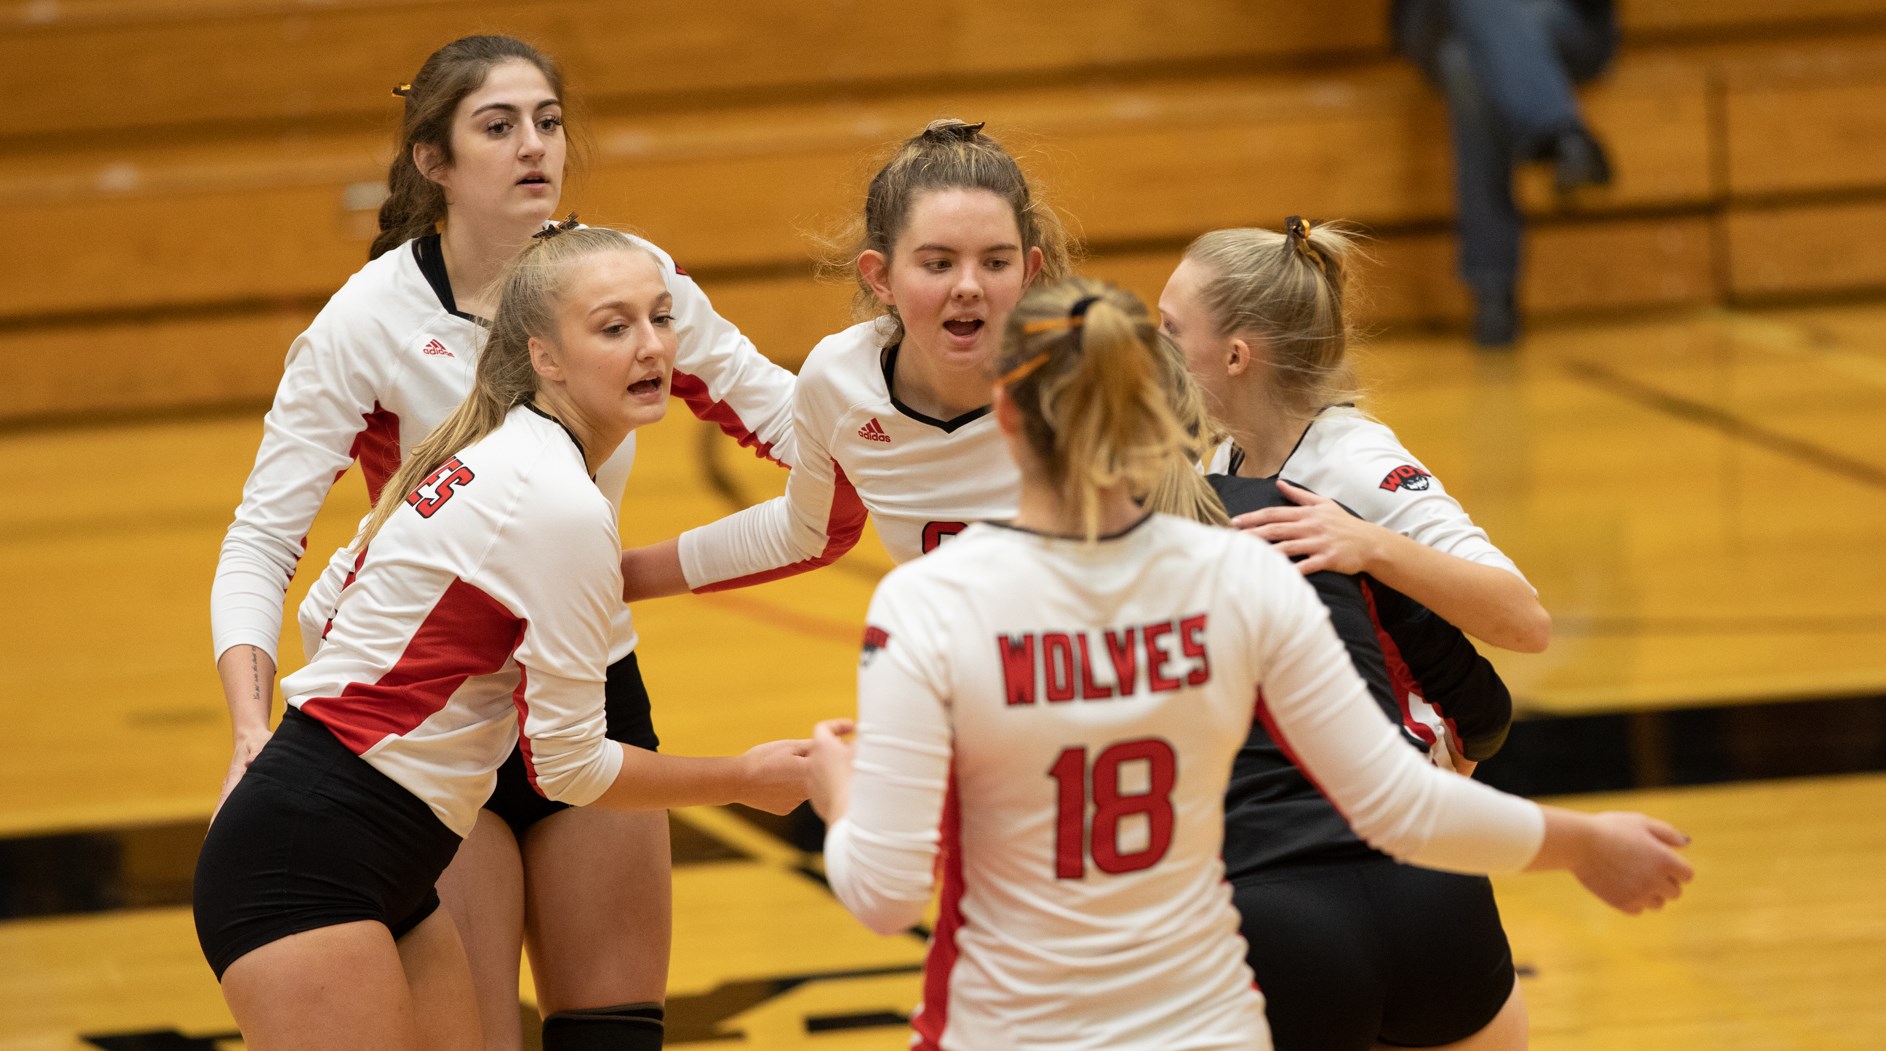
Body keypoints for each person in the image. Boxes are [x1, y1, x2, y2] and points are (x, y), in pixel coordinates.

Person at [805, 278, 1692, 1051]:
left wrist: (840, 788)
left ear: (1005, 413)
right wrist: (1587, 842)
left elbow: (885, 894)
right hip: (1209, 1012)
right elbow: (1398, 801)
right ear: (1160, 417)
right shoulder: (1238, 566)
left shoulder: (933, 600)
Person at [207, 36, 799, 1050]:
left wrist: (919, 410)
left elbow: (801, 430)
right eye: (498, 125)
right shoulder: (369, 318)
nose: (534, 146)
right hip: (441, 720)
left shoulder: (621, 283)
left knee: (613, 1027)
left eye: (549, 121)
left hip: (585, 674)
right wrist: (248, 727)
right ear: (434, 162)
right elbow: (263, 537)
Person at [1161, 220, 1546, 1048]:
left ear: (1235, 355)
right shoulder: (1216, 466)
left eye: (1169, 330)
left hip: (1390, 831)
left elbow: (1523, 617)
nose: (1156, 351)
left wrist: (1372, 543)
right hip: (1302, 849)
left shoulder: (1358, 463)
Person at [616, 118, 1068, 598]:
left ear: (1028, 273)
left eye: (996, 262)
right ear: (881, 278)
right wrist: (609, 580)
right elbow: (806, 532)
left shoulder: (1088, 381)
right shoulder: (841, 382)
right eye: (938, 263)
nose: (969, 286)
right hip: (954, 662)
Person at [1393, 0, 1618, 346]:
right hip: (1440, 19)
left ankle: (1493, 291)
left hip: (1559, 20)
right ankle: (1559, 131)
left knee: (1466, 64)